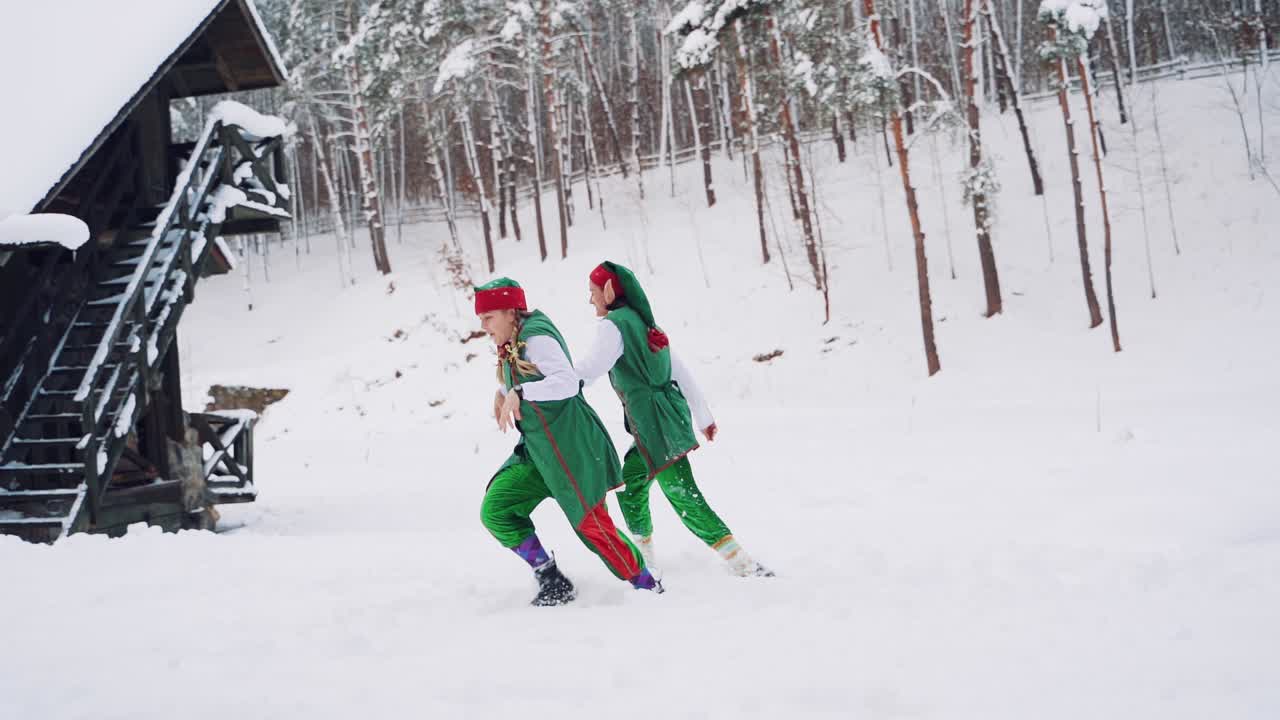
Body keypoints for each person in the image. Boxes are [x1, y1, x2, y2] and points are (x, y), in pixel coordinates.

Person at [574, 262, 772, 578]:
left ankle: (744, 565)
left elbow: (589, 369)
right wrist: (703, 415)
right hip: (664, 420)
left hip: (656, 426)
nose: (590, 300)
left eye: (593, 292)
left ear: (609, 291)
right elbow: (678, 371)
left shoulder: (614, 326)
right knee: (632, 485)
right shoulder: (645, 323)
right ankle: (645, 558)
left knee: (684, 496)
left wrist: (554, 383)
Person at [475, 277, 661, 606]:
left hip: (572, 449)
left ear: (508, 312)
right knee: (497, 508)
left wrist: (520, 393)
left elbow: (567, 383)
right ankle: (552, 580)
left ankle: (648, 586)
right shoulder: (513, 339)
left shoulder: (537, 338)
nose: (484, 327)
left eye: (488, 318)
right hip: (538, 452)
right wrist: (502, 392)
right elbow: (527, 376)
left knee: (594, 528)